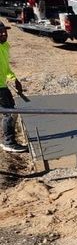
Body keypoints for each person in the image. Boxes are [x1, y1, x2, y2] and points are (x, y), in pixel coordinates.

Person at [0, 21, 28, 155]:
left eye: (5, 31)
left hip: (2, 85)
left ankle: (7, 139)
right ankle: (9, 143)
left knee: (9, 112)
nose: (4, 33)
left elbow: (6, 68)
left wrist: (14, 79)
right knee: (9, 113)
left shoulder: (4, 46)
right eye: (0, 32)